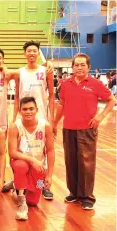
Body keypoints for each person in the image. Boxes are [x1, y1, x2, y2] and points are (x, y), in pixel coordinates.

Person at [53, 53, 116, 210]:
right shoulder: (66, 84)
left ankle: (87, 196)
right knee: (70, 161)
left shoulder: (95, 84)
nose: (79, 67)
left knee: (86, 163)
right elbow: (61, 104)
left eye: (83, 65)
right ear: (72, 67)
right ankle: (74, 193)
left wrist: (100, 117)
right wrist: (54, 123)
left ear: (88, 67)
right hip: (68, 128)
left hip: (87, 129)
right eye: (76, 65)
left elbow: (112, 100)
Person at [4, 41, 55, 199]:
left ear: (38, 53)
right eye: (29, 51)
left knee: (42, 151)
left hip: (41, 116)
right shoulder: (20, 72)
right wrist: (13, 118)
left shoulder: (46, 71)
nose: (32, 53)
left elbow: (52, 95)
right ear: (24, 53)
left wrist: (52, 120)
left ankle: (43, 184)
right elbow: (17, 96)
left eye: (34, 51)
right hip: (23, 115)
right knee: (21, 151)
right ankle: (17, 182)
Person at [8, 96, 55, 220]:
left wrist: (49, 175)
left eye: (31, 109)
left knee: (33, 202)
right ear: (20, 111)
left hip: (39, 167)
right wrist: (31, 160)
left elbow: (50, 151)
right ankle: (21, 201)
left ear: (37, 110)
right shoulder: (15, 127)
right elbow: (12, 153)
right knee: (21, 166)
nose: (28, 111)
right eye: (25, 109)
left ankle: (16, 186)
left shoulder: (45, 126)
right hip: (21, 162)